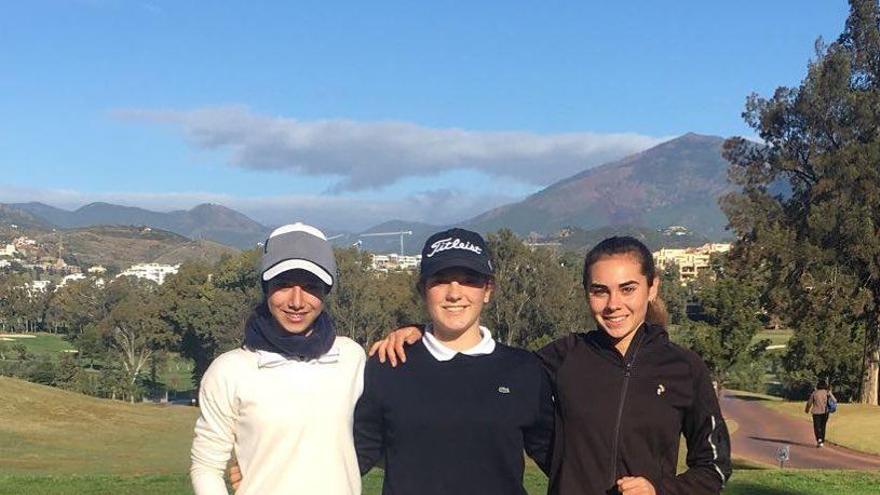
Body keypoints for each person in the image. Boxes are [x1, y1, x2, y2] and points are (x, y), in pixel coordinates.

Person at [373, 236, 732, 495]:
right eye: (600, 290)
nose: (613, 304)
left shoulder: (684, 368)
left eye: (627, 289)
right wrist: (423, 332)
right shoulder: (561, 357)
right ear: (586, 293)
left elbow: (713, 467)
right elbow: (488, 364)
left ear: (652, 288)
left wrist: (661, 490)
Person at [355, 227, 555, 494]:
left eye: (469, 279)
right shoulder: (388, 365)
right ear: (423, 290)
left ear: (488, 290)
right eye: (440, 280)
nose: (454, 293)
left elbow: (558, 460)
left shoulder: (524, 369)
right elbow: (353, 458)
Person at [190, 223, 365, 495]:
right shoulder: (230, 370)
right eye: (283, 285)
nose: (296, 301)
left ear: (325, 292)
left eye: (310, 287)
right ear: (266, 287)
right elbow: (206, 467)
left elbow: (379, 438)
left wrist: (412, 332)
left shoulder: (352, 357)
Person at [805, 379, 836, 448]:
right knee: (823, 426)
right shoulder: (827, 392)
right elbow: (835, 400)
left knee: (817, 426)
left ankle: (819, 439)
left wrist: (807, 410)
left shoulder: (814, 393)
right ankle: (822, 440)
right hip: (825, 412)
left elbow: (809, 403)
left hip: (816, 412)